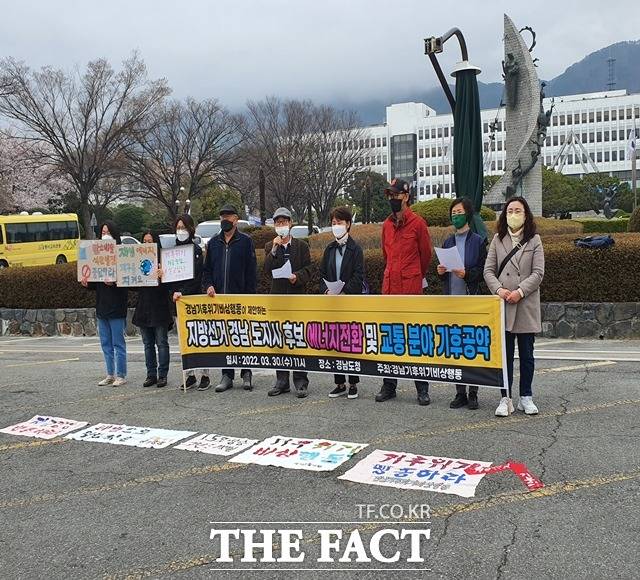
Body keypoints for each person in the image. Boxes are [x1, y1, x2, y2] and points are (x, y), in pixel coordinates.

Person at [484, 196, 545, 417]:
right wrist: (500, 290)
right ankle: (505, 398)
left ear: (526, 214)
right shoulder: (498, 239)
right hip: (504, 304)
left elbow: (538, 273)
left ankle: (526, 397)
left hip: (526, 303)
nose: (513, 215)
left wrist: (519, 291)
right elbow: (488, 271)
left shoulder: (534, 240)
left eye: (518, 211)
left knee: (527, 355)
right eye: (509, 211)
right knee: (505, 355)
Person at [376, 178, 433, 405]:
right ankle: (389, 385)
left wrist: (413, 275)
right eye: (389, 196)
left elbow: (425, 255)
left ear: (406, 196)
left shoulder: (418, 224)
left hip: (410, 290)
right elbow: (385, 255)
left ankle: (422, 387)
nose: (392, 199)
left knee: (415, 339)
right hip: (390, 289)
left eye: (396, 195)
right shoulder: (386, 226)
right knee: (389, 339)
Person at [437, 198, 487, 410]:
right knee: (456, 346)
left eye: (459, 212)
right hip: (452, 300)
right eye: (453, 212)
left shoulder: (478, 241)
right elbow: (445, 272)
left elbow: (483, 271)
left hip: (471, 299)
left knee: (471, 346)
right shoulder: (448, 242)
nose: (455, 215)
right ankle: (460, 392)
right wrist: (440, 272)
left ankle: (473, 392)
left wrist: (467, 274)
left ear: (467, 214)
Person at [202, 204, 257, 392]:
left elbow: (251, 272)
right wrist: (208, 285)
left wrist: (250, 297)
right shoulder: (213, 243)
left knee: (242, 336)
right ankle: (227, 375)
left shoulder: (245, 241)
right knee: (225, 337)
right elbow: (206, 270)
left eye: (228, 216)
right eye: (222, 216)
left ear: (236, 219)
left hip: (240, 299)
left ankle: (246, 372)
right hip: (219, 301)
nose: (225, 220)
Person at [263, 207, 313, 398]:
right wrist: (274, 249)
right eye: (278, 223)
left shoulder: (301, 246)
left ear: (291, 224)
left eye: (284, 222)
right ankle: (281, 381)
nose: (281, 226)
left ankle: (300, 381)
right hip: (277, 298)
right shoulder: (271, 246)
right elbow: (266, 270)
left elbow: (309, 269)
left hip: (296, 298)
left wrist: (297, 276)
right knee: (279, 340)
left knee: (297, 339)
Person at [320, 206, 364, 400]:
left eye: (340, 222)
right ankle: (339, 383)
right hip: (331, 302)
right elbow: (321, 274)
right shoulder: (329, 249)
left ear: (348, 224)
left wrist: (344, 291)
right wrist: (327, 290)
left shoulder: (356, 249)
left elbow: (359, 275)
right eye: (333, 223)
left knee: (349, 341)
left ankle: (353, 383)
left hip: (349, 301)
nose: (336, 226)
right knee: (334, 342)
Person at [81, 221, 128, 387]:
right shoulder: (97, 255)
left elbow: (128, 280)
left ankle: (121, 374)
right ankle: (110, 373)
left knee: (118, 343)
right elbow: (96, 282)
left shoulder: (121, 253)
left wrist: (114, 282)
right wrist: (87, 283)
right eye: (102, 232)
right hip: (102, 306)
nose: (105, 235)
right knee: (106, 343)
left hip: (117, 306)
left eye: (108, 232)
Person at [171, 214, 208, 391]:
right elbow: (169, 280)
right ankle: (189, 375)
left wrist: (183, 291)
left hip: (193, 301)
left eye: (184, 228)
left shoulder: (196, 251)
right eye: (178, 228)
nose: (181, 231)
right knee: (183, 341)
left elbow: (197, 277)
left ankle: (205, 374)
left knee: (199, 338)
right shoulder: (170, 252)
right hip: (178, 302)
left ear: (191, 229)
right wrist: (172, 291)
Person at [132, 231, 172, 388]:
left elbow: (170, 286)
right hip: (143, 308)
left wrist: (164, 276)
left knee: (162, 343)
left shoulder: (164, 261)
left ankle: (163, 375)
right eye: (144, 241)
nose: (147, 244)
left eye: (150, 241)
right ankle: (151, 374)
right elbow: (132, 285)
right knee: (147, 344)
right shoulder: (137, 261)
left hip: (160, 308)